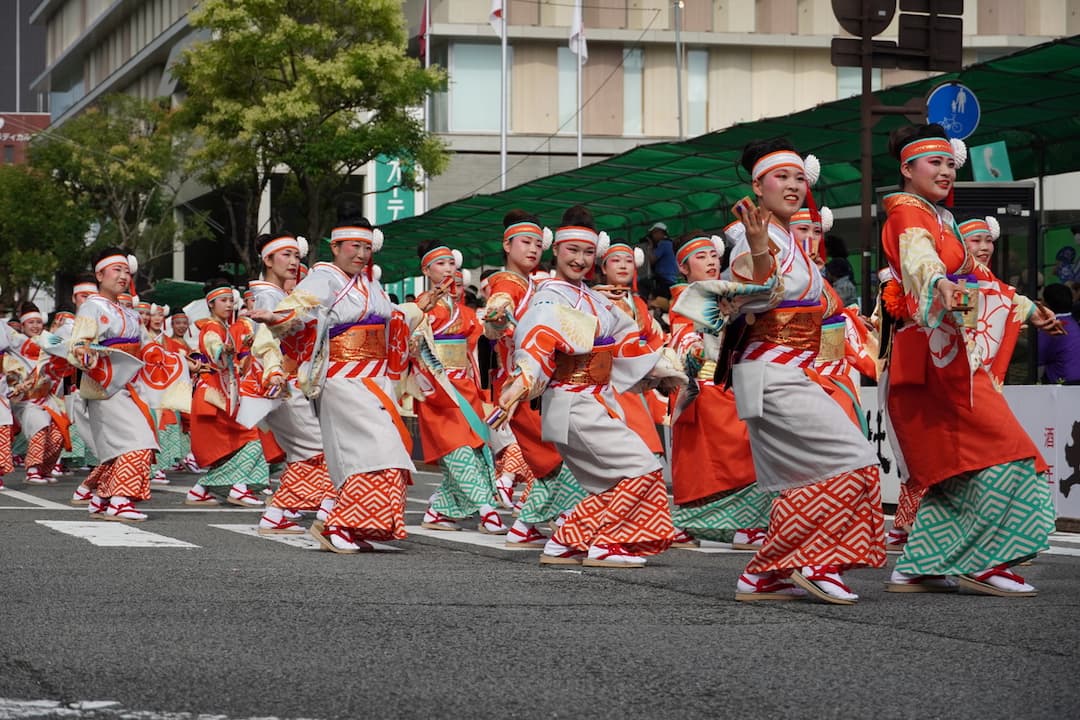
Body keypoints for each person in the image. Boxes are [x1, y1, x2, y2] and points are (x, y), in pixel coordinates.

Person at [684, 139, 886, 604]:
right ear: (758, 185)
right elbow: (747, 292)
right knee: (851, 460)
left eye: (799, 178)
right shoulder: (748, 234)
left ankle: (764, 573)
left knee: (815, 473)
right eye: (782, 177)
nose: (793, 186)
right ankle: (812, 560)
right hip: (770, 372)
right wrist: (757, 250)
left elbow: (825, 313)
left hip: (796, 372)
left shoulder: (789, 238)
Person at [879, 124, 1057, 596]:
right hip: (939, 356)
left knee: (957, 468)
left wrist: (1027, 307)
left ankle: (919, 563)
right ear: (907, 169)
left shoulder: (943, 219)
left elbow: (979, 277)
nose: (945, 171)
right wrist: (938, 284)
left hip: (950, 354)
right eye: (934, 163)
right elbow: (921, 263)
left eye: (950, 164)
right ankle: (984, 560)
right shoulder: (908, 214)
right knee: (1008, 451)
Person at [495, 205, 680, 568]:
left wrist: (663, 370)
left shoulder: (594, 298)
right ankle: (603, 544)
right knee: (640, 467)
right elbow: (536, 340)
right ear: (557, 251)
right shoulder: (549, 296)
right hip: (571, 401)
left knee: (615, 479)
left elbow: (628, 341)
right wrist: (523, 379)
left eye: (587, 252)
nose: (580, 260)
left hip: (595, 401)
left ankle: (566, 542)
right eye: (572, 251)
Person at [261, 212, 416, 553]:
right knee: (377, 452)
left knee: (379, 452)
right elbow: (299, 307)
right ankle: (339, 525)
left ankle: (343, 521)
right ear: (335, 246)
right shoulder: (323, 276)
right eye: (353, 246)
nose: (360, 254)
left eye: (365, 247)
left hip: (373, 378)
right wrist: (276, 317)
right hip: (343, 378)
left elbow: (390, 321)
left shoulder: (369, 282)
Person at [482, 211, 587, 549]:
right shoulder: (508, 282)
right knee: (564, 451)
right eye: (525, 243)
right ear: (506, 244)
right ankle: (572, 525)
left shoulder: (535, 284)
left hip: (535, 380)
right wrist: (497, 316)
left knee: (554, 457)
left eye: (538, 244)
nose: (532, 250)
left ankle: (526, 524)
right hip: (523, 382)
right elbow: (500, 303)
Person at [666, 232, 771, 550]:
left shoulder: (724, 293)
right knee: (737, 456)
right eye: (701, 257)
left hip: (726, 385)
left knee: (731, 457)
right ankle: (745, 525)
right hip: (705, 387)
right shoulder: (687, 298)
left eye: (713, 255)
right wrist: (697, 351)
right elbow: (682, 335)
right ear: (683, 268)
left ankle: (691, 523)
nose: (711, 261)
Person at [412, 241, 507, 535]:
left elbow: (480, 344)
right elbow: (411, 340)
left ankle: (440, 510)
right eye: (440, 264)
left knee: (477, 451)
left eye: (452, 264)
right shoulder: (421, 305)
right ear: (426, 270)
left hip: (464, 386)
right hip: (438, 389)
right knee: (458, 450)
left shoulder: (463, 310)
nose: (448, 269)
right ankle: (487, 511)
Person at [246, 233, 338, 535]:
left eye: (296, 256)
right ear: (267, 259)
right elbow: (266, 341)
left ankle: (276, 514)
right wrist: (274, 373)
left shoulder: (278, 295)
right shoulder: (266, 296)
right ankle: (329, 509)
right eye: (285, 255)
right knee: (319, 448)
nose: (293, 261)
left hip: (285, 381)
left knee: (305, 451)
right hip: (279, 382)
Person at [67, 248, 159, 521]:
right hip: (105, 385)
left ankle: (102, 497)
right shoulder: (92, 306)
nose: (122, 276)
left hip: (129, 386)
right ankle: (119, 501)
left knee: (122, 446)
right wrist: (84, 352)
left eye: (126, 271)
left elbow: (148, 346)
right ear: (99, 274)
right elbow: (79, 342)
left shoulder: (127, 312)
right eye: (116, 270)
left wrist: (180, 362)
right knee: (139, 443)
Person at [184, 280, 269, 508]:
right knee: (253, 438)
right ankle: (239, 486)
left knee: (231, 449)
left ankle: (200, 490)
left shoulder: (225, 328)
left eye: (231, 300)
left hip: (219, 395)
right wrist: (223, 350)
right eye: (223, 301)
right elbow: (213, 348)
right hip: (214, 397)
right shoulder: (213, 328)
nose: (229, 304)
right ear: (211, 304)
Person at [1039, 283, 1080, 384]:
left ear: (1046, 305)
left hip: (1062, 383)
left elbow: (1036, 357)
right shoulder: (1073, 322)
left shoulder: (1051, 326)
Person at [644, 222, 679, 290]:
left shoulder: (663, 243)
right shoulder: (670, 243)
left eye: (654, 233)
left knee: (642, 284)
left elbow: (652, 260)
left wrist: (650, 247)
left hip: (664, 279)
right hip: (672, 278)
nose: (653, 236)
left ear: (660, 232)